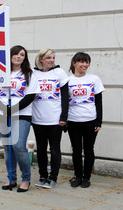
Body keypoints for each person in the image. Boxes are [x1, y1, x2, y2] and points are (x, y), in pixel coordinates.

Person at [0, 45, 39, 193]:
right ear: (10, 56)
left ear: (25, 58)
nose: (18, 57)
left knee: (19, 147)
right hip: (1, 114)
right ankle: (11, 178)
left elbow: (30, 96)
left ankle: (26, 179)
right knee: (7, 147)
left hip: (21, 114)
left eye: (22, 55)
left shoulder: (29, 74)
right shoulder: (0, 72)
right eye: (16, 54)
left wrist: (12, 109)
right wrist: (4, 110)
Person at [31, 49, 69, 189]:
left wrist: (64, 116)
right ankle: (42, 176)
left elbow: (65, 96)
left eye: (53, 58)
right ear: (41, 59)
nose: (52, 60)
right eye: (48, 58)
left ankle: (53, 177)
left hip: (55, 119)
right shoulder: (33, 74)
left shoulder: (59, 73)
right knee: (41, 149)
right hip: (38, 119)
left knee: (54, 149)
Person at [67, 52, 105, 188]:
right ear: (74, 63)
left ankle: (87, 177)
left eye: (87, 62)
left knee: (88, 150)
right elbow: (64, 102)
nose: (85, 65)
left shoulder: (94, 79)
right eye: (82, 62)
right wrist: (64, 120)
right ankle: (77, 176)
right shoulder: (68, 81)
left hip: (90, 120)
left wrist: (98, 121)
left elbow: (99, 102)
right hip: (73, 120)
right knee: (76, 150)